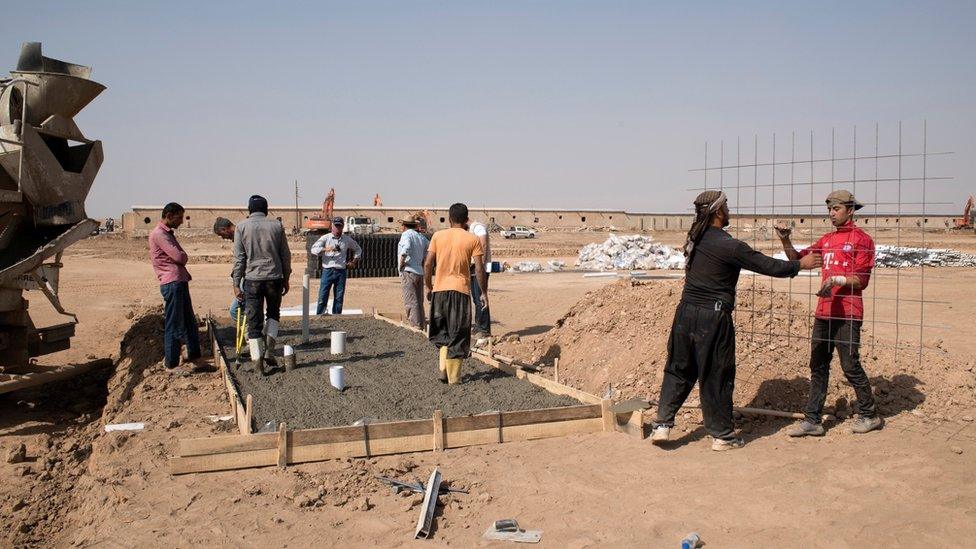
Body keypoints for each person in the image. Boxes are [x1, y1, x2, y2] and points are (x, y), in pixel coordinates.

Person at [651, 190, 822, 451]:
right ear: (719, 211)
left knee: (678, 368)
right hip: (713, 317)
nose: (729, 211)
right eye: (727, 206)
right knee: (716, 374)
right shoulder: (730, 245)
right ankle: (722, 437)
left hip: (685, 312)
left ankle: (662, 424)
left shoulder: (696, 238)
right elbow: (767, 265)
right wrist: (801, 265)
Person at [776, 190, 883, 436]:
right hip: (824, 313)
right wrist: (785, 239)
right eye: (829, 210)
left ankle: (870, 415)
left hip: (848, 313)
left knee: (850, 365)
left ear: (850, 210)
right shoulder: (826, 240)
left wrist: (836, 279)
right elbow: (797, 260)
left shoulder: (862, 240)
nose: (831, 214)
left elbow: (862, 280)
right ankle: (813, 420)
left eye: (836, 209)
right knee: (818, 365)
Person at [424, 203, 487, 384]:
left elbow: (428, 264)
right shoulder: (472, 239)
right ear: (467, 219)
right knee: (458, 333)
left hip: (440, 291)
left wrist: (429, 287)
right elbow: (480, 269)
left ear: (449, 218)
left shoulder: (437, 236)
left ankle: (443, 370)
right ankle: (454, 379)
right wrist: (483, 293)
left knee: (442, 332)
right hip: (460, 291)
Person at [232, 195, 291, 374]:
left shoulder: (241, 227)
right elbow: (285, 255)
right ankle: (269, 351)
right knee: (273, 314)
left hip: (252, 280)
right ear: (266, 209)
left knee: (253, 320)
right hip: (274, 278)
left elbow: (239, 258)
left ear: (249, 210)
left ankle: (257, 363)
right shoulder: (277, 225)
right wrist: (286, 277)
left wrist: (236, 282)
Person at [149, 202, 203, 372]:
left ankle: (194, 356)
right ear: (169, 216)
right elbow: (180, 257)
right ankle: (171, 364)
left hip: (178, 281)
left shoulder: (167, 234)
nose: (181, 221)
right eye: (179, 218)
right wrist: (183, 255)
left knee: (189, 322)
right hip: (172, 283)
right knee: (174, 325)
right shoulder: (159, 234)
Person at [310, 217, 362, 315]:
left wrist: (354, 262)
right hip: (327, 271)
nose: (337, 228)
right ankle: (320, 315)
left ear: (342, 227)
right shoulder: (326, 238)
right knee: (323, 296)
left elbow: (358, 249)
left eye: (339, 226)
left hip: (340, 272)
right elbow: (313, 249)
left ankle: (337, 317)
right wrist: (325, 249)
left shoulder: (347, 240)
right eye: (336, 226)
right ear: (332, 226)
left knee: (339, 297)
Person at [398, 215, 429, 329]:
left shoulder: (406, 235)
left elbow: (406, 248)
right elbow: (428, 251)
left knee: (411, 301)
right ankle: (422, 325)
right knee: (419, 301)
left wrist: (401, 263)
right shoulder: (421, 237)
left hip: (409, 271)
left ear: (404, 225)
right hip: (419, 272)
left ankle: (415, 327)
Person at [214, 217, 246, 321]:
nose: (223, 238)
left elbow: (241, 260)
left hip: (248, 278)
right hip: (245, 276)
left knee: (235, 310)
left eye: (221, 234)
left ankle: (251, 333)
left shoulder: (240, 235)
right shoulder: (242, 233)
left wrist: (236, 284)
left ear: (225, 229)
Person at [468, 217, 492, 343]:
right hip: (474, 269)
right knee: (476, 298)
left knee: (481, 298)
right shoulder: (471, 230)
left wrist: (480, 265)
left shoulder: (478, 228)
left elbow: (483, 243)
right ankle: (478, 326)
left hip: (480, 269)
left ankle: (484, 330)